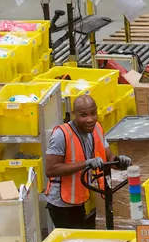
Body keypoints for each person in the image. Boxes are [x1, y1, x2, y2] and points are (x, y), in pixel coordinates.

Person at [44, 94, 131, 229]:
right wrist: (86, 163)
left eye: (93, 113)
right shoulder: (61, 135)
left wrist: (120, 162)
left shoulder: (97, 129)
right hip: (61, 203)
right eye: (83, 115)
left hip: (80, 198)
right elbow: (50, 170)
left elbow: (108, 157)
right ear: (74, 114)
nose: (90, 119)